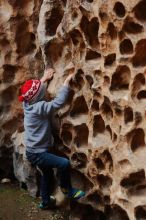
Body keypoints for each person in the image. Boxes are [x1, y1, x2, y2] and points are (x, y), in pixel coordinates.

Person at [18, 68, 85, 209]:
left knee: (47, 174)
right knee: (64, 163)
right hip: (38, 153)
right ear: (39, 97)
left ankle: (45, 202)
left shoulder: (27, 104)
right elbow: (57, 103)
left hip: (32, 151)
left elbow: (33, 94)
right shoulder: (40, 107)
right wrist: (66, 83)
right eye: (41, 88)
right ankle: (67, 189)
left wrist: (43, 78)